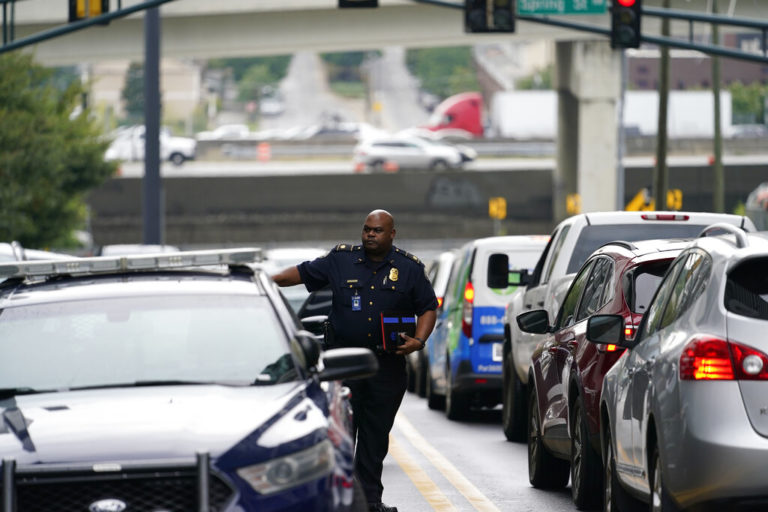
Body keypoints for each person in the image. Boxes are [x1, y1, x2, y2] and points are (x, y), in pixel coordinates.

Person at [272, 209, 437, 512]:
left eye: (377, 231)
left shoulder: (409, 268)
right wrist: (264, 282)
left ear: (391, 234)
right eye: (366, 230)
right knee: (340, 437)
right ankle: (339, 502)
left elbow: (428, 307)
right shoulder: (341, 259)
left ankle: (369, 503)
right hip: (342, 366)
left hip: (385, 367)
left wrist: (419, 341)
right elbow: (298, 274)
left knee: (374, 442)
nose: (370, 235)